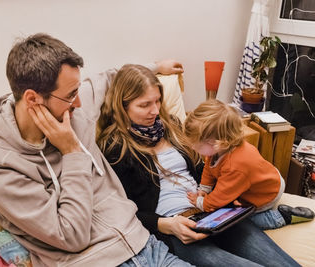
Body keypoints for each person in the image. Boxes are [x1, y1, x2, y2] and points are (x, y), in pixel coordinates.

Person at [0, 33, 193, 267]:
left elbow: (110, 77)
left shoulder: (75, 111)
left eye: (77, 91)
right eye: (70, 95)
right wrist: (71, 153)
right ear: (32, 99)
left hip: (147, 246)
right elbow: (72, 237)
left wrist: (156, 66)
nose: (79, 104)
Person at [96, 64, 301, 266]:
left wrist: (227, 191)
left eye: (158, 101)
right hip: (177, 226)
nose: (155, 111)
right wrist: (166, 225)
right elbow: (121, 210)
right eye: (144, 105)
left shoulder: (171, 126)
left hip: (213, 214)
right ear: (122, 106)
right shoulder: (115, 148)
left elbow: (203, 168)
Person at [184, 99, 314, 230]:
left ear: (217, 143)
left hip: (266, 194)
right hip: (260, 180)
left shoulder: (235, 165)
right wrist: (203, 189)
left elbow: (219, 197)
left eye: (196, 145)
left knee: (239, 222)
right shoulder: (218, 149)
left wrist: (201, 203)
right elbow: (209, 167)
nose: (193, 148)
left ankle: (282, 216)